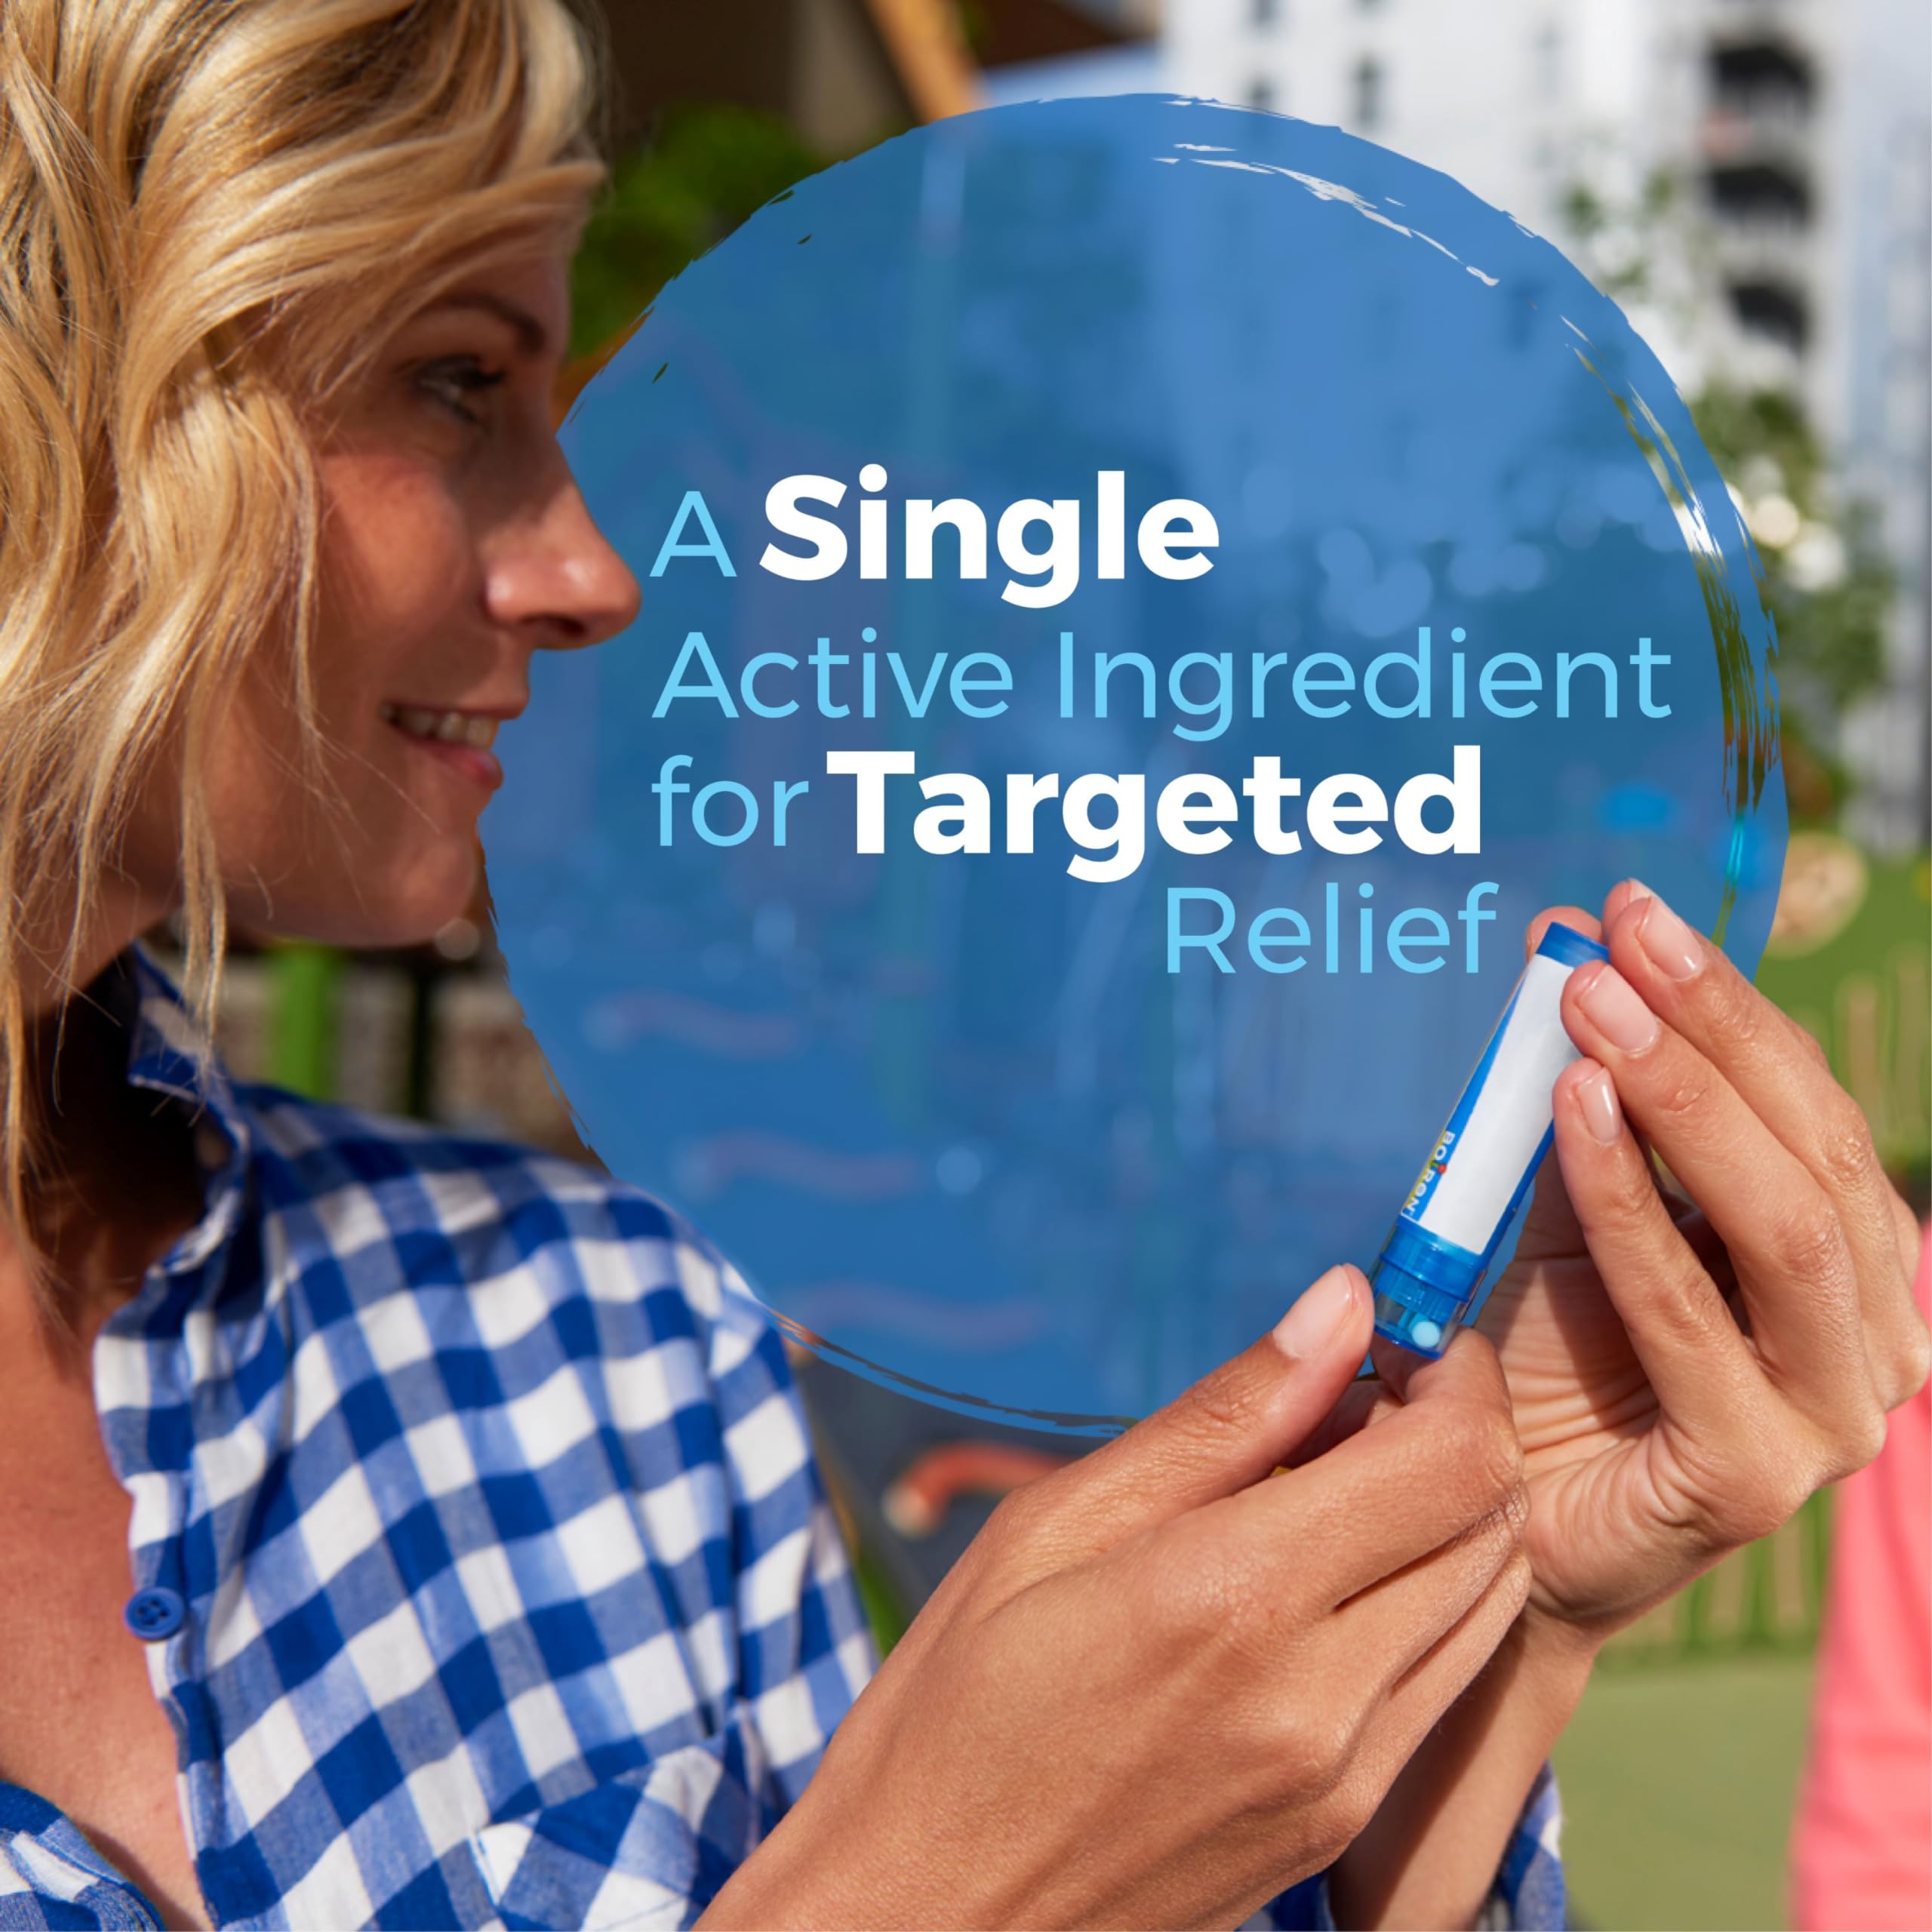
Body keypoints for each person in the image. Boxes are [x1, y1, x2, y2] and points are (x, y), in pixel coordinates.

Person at [1, 4, 1924, 1928]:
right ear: (50, 384)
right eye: (450, 381)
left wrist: (1500, 1608)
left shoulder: (610, 1342)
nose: (592, 572)